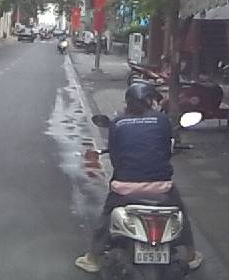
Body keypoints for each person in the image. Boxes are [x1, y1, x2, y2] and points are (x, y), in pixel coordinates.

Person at [75, 82, 202, 273]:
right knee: (180, 213)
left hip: (125, 188)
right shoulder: (162, 120)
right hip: (161, 188)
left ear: (128, 102)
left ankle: (92, 258)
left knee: (106, 216)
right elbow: (166, 152)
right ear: (150, 101)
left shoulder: (118, 122)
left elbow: (116, 158)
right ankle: (191, 254)